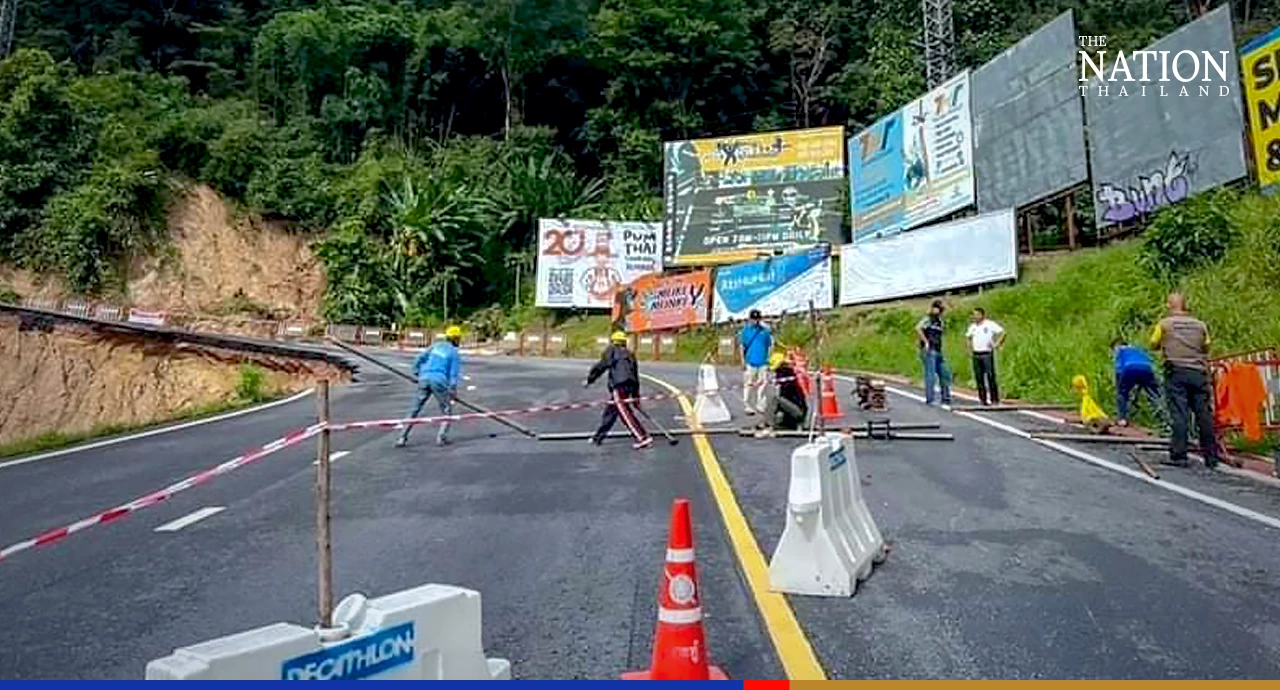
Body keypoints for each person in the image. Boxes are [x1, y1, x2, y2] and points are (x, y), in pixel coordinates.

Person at [1150, 292, 1219, 468]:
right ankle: (1211, 457)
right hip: (1198, 372)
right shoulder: (1200, 325)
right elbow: (1206, 346)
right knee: (1204, 414)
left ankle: (1179, 454)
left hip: (1176, 372)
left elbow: (1153, 343)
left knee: (1179, 413)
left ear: (1169, 305)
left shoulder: (1164, 324)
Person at [396, 325, 463, 448]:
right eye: (458, 338)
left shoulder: (435, 346)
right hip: (439, 381)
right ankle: (441, 437)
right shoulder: (453, 353)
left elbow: (419, 358)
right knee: (446, 410)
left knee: (415, 409)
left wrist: (417, 372)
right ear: (455, 339)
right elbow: (453, 374)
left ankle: (402, 437)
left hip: (424, 378)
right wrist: (453, 391)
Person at [585, 331, 653, 450]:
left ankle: (643, 437)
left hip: (619, 386)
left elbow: (601, 366)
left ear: (613, 341)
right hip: (629, 385)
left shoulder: (611, 350)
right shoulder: (630, 354)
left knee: (625, 414)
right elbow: (635, 375)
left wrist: (590, 380)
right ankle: (598, 437)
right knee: (610, 412)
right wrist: (635, 396)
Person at [1111, 337, 1163, 428]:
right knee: (1153, 394)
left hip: (1129, 368)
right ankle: (1161, 417)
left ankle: (1122, 419)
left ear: (1116, 346)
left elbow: (1119, 369)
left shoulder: (1120, 350)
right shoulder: (1138, 350)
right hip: (1147, 369)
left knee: (1122, 394)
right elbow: (1149, 361)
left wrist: (1119, 384)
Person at [757, 352, 809, 437]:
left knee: (774, 399)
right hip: (793, 410)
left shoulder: (786, 373)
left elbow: (783, 390)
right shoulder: (785, 374)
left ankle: (768, 426)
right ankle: (769, 422)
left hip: (798, 411)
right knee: (774, 400)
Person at [965, 307, 1005, 406]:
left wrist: (997, 343)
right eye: (974, 315)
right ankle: (983, 399)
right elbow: (968, 337)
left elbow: (1003, 332)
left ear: (982, 315)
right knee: (979, 378)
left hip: (986, 353)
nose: (975, 317)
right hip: (976, 354)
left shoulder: (989, 324)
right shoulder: (972, 327)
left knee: (990, 376)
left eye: (977, 314)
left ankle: (994, 399)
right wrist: (969, 349)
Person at [916, 300, 952, 406]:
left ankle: (946, 398)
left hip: (938, 350)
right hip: (929, 350)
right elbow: (918, 328)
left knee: (945, 373)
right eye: (936, 308)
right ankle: (930, 399)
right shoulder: (928, 319)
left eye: (940, 309)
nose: (938, 311)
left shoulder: (940, 321)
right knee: (930, 375)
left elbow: (941, 334)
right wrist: (926, 342)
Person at [740, 309, 773, 417]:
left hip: (763, 362)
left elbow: (769, 346)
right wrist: (743, 361)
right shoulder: (746, 331)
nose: (755, 321)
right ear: (749, 319)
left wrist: (768, 359)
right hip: (750, 361)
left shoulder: (765, 331)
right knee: (749, 383)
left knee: (763, 383)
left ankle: (760, 405)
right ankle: (747, 405)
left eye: (757, 319)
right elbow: (742, 346)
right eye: (753, 319)